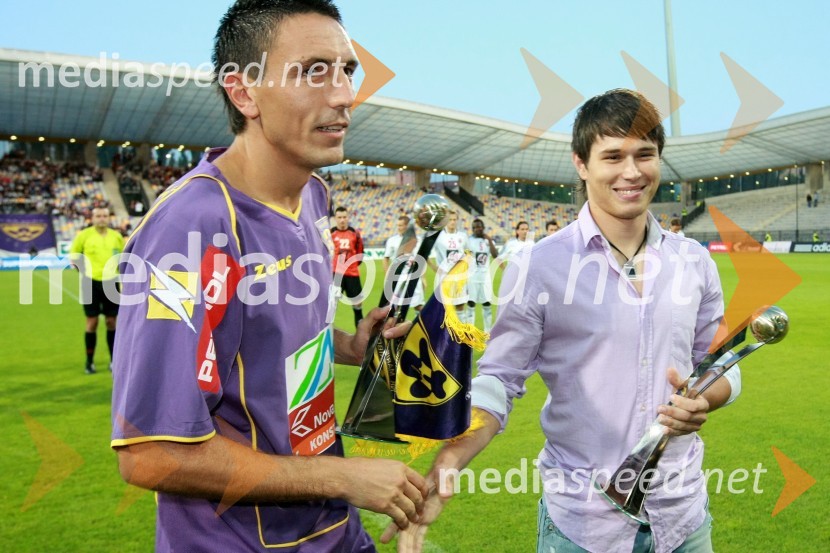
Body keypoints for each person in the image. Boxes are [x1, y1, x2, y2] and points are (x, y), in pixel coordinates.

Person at [110, 2, 427, 552]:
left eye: (347, 71)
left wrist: (351, 345)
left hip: (333, 532)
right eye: (312, 71)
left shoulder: (315, 197)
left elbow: (268, 339)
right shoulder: (191, 227)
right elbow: (150, 452)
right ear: (244, 92)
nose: (344, 96)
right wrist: (341, 478)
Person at [386, 89, 742, 553]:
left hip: (683, 518)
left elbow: (722, 363)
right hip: (583, 523)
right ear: (581, 163)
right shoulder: (539, 265)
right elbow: (498, 380)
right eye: (612, 156)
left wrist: (705, 399)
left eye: (645, 155)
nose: (631, 172)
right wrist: (451, 456)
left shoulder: (693, 261)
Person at [69, 205, 124, 374]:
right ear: (92, 218)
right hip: (90, 283)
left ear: (109, 218)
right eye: (98, 215)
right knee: (92, 322)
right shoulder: (84, 236)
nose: (101, 218)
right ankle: (89, 362)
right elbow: (74, 256)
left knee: (111, 322)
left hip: (111, 282)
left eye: (104, 216)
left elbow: (123, 258)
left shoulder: (116, 236)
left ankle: (114, 361)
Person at [428, 210, 468, 320]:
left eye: (455, 219)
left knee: (460, 306)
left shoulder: (463, 236)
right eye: (450, 219)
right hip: (444, 277)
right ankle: (445, 335)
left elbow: (469, 254)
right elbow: (425, 254)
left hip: (459, 277)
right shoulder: (438, 236)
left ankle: (461, 335)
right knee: (444, 307)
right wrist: (434, 268)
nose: (453, 222)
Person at [331, 205, 365, 328]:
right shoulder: (330, 233)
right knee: (331, 305)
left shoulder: (355, 233)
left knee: (357, 303)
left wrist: (352, 264)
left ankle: (360, 332)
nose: (342, 220)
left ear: (348, 217)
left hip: (352, 273)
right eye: (339, 217)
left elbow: (360, 252)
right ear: (335, 218)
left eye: (344, 217)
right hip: (336, 274)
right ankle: (328, 334)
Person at [384, 214, 426, 312]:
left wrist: (423, 277)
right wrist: (387, 275)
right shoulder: (392, 240)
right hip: (397, 277)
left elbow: (420, 260)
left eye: (401, 225)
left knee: (419, 305)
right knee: (394, 306)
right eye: (397, 225)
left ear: (407, 226)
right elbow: (385, 258)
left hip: (413, 275)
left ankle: (421, 326)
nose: (398, 228)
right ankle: (394, 326)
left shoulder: (418, 240)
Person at [466, 218, 498, 332]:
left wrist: (489, 240)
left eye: (479, 226)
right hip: (472, 278)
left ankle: (487, 332)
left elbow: (495, 255)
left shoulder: (489, 241)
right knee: (470, 304)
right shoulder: (468, 241)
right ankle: (470, 331)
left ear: (483, 227)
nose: (477, 229)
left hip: (485, 278)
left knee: (487, 305)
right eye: (474, 227)